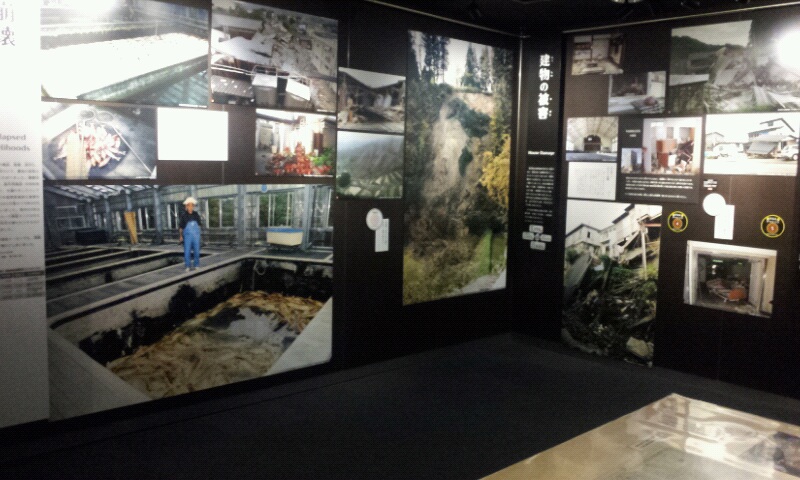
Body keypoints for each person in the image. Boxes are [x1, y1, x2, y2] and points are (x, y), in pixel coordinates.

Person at [179, 197, 202, 271]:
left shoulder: (196, 214)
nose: (190, 207)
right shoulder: (183, 216)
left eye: (192, 205)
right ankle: (187, 266)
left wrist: (198, 234)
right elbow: (181, 227)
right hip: (187, 236)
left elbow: (199, 225)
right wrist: (181, 236)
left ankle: (196, 265)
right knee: (187, 251)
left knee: (197, 251)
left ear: (193, 206)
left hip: (196, 236)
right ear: (186, 206)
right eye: (189, 205)